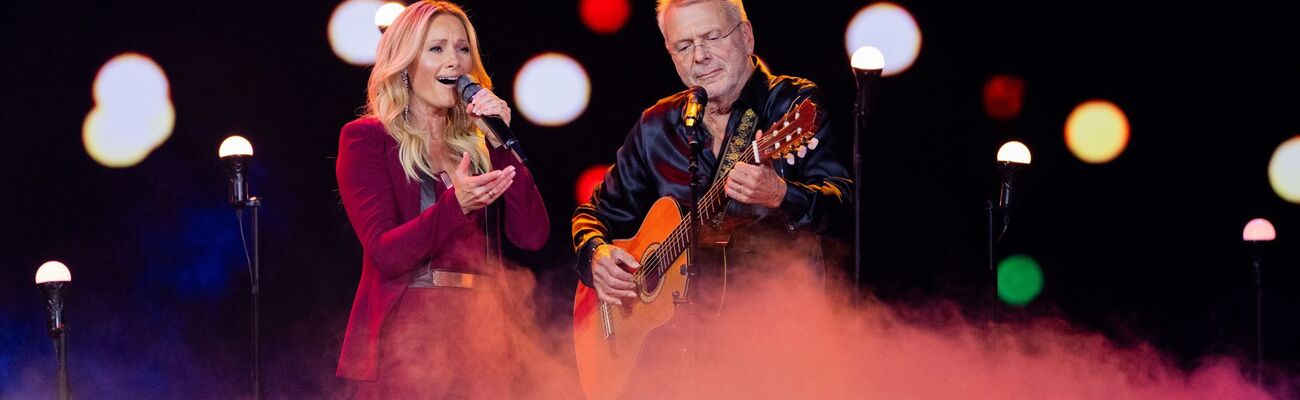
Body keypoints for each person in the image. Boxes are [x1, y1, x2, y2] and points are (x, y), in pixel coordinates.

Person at [572, 0, 850, 311]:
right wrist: (595, 255)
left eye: (712, 37)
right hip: (675, 342)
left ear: (746, 36)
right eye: (685, 46)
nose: (700, 56)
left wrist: (781, 194)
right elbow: (597, 214)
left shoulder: (790, 104)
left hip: (779, 320)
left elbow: (845, 208)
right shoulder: (656, 125)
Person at [334, 2, 548, 398]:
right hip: (407, 336)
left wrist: (499, 141)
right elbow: (386, 252)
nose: (455, 61)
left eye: (462, 48)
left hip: (484, 337)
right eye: (436, 49)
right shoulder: (368, 139)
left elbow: (532, 235)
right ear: (405, 64)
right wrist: (457, 204)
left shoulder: (479, 143)